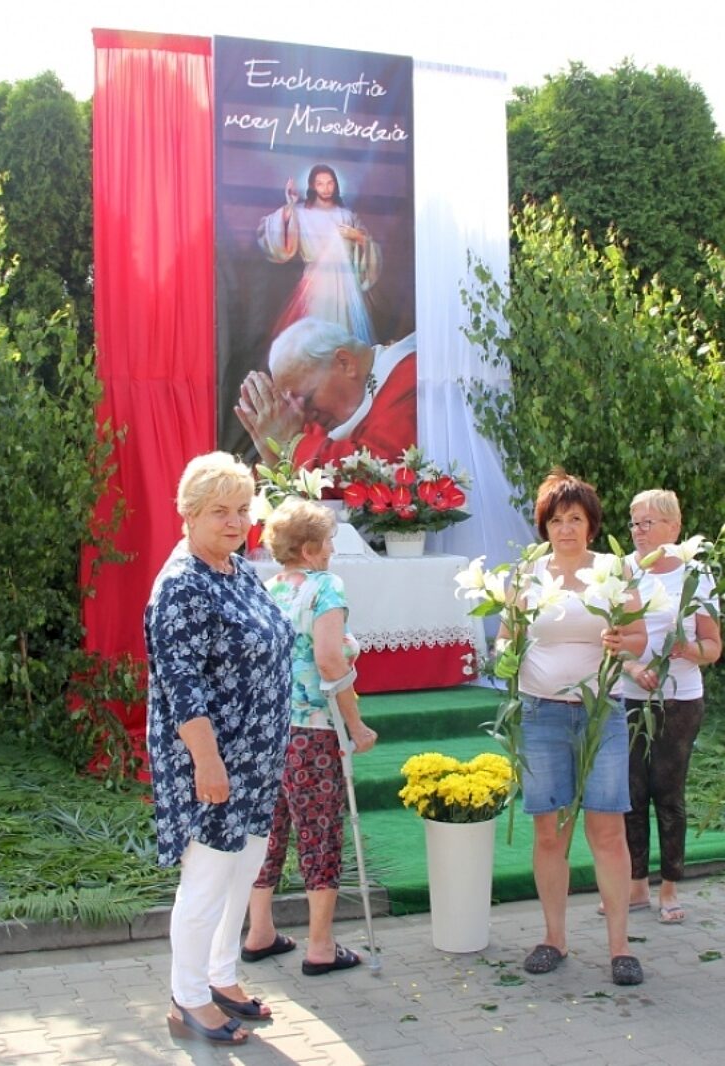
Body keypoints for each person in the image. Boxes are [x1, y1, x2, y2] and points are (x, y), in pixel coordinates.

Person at [145, 452, 294, 1044]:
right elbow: (181, 687)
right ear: (188, 514)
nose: (235, 522)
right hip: (212, 760)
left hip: (256, 757)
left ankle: (220, 976)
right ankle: (186, 1000)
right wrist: (207, 763)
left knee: (242, 871)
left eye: (242, 509)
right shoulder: (181, 585)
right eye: (219, 512)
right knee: (206, 880)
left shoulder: (238, 569)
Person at [509, 471, 648, 987]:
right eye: (556, 520)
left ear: (591, 524)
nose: (565, 529)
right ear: (544, 527)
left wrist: (622, 643)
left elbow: (638, 637)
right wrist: (505, 657)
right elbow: (507, 635)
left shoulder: (612, 571)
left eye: (575, 519)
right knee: (551, 832)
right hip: (541, 713)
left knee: (607, 830)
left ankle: (620, 947)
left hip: (600, 711)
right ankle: (554, 938)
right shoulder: (526, 574)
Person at [242, 498, 379, 977]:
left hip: (268, 730)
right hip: (313, 731)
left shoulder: (267, 588)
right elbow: (329, 659)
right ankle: (320, 945)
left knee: (268, 830)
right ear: (310, 548)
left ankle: (260, 932)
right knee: (319, 832)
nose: (333, 549)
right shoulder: (326, 587)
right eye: (329, 541)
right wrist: (356, 726)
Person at [611, 489, 722, 924]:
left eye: (648, 523)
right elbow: (610, 641)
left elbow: (714, 646)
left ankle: (670, 886)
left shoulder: (696, 575)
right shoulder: (621, 572)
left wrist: (688, 649)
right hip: (630, 696)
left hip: (680, 698)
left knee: (668, 792)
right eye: (634, 523)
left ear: (674, 528)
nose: (638, 531)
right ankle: (636, 883)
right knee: (631, 792)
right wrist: (634, 667)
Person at [234, 317, 416, 470]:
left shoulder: (409, 378)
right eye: (293, 404)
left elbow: (383, 469)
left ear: (345, 362)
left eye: (308, 399)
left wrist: (291, 445)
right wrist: (273, 457)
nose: (305, 415)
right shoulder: (315, 423)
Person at [257, 163, 381, 345]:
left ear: (336, 185)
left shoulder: (347, 215)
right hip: (315, 284)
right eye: (320, 184)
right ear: (312, 186)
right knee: (316, 337)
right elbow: (274, 232)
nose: (326, 188)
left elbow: (369, 247)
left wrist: (358, 237)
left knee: (346, 336)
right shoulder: (301, 213)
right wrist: (290, 204)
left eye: (330, 183)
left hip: (346, 285)